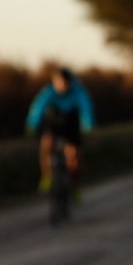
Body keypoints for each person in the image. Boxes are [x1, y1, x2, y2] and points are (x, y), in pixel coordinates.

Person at [26, 67, 95, 200]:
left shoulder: (78, 92)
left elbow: (86, 109)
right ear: (54, 82)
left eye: (65, 82)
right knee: (47, 143)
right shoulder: (49, 92)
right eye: (59, 82)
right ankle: (46, 176)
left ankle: (76, 187)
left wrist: (88, 127)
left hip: (72, 126)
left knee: (74, 155)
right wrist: (32, 125)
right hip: (54, 125)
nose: (62, 85)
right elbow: (38, 107)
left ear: (70, 82)